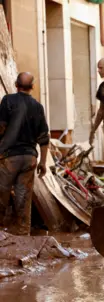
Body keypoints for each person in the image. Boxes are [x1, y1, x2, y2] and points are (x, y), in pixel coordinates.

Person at [0, 72, 49, 235]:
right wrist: (43, 162)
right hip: (29, 158)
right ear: (33, 87)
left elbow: (1, 127)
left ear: (16, 84)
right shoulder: (38, 106)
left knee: (1, 196)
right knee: (23, 200)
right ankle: (23, 236)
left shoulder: (7, 100)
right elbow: (44, 138)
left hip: (8, 158)